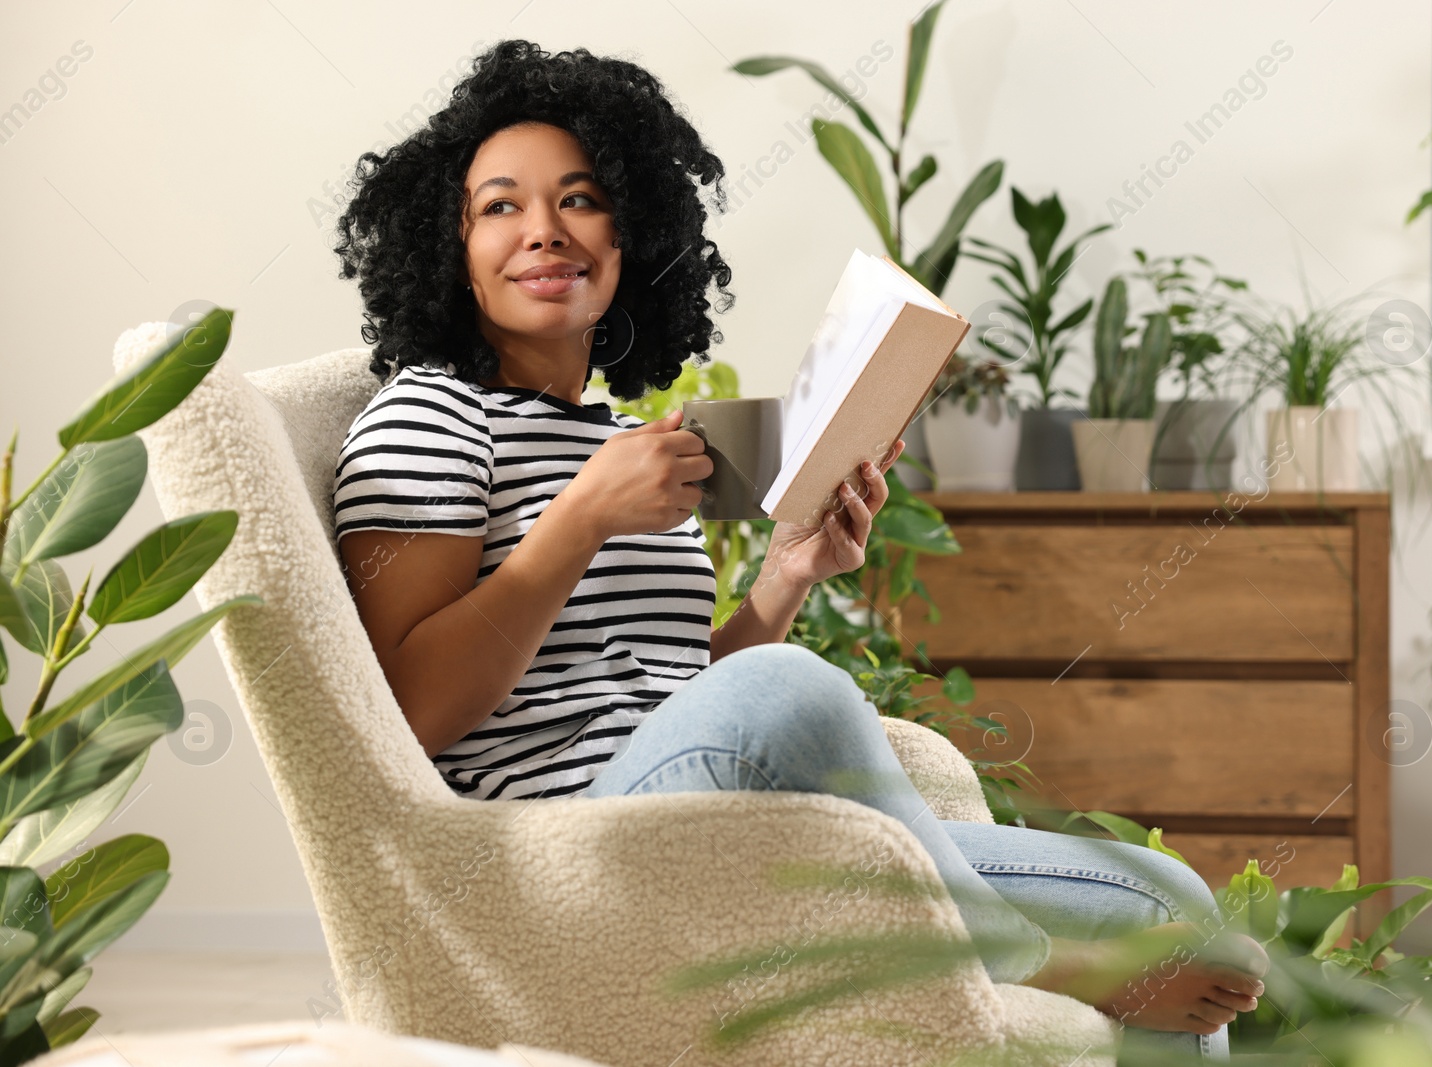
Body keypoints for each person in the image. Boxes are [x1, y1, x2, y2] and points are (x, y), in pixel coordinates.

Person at [329, 39, 1268, 1062]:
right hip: (558, 839)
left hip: (686, 806)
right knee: (787, 688)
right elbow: (412, 709)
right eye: (500, 205)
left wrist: (785, 576)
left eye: (581, 199)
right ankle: (1016, 956)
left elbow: (684, 700)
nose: (544, 231)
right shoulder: (426, 417)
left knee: (1168, 903)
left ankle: (1024, 946)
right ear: (446, 242)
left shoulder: (615, 437)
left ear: (632, 228)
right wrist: (579, 519)